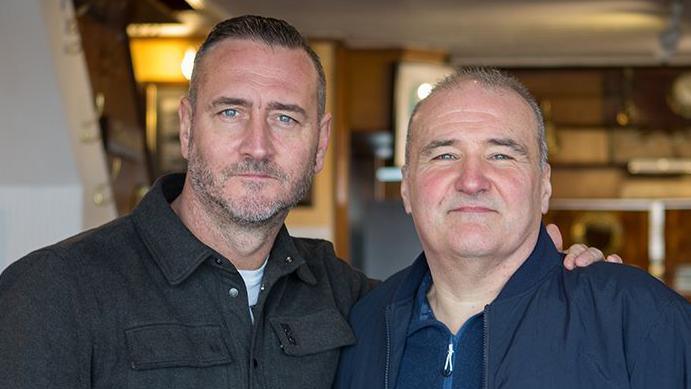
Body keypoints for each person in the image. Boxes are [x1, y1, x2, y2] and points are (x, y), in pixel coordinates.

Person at [0, 17, 612, 389]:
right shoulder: (53, 294)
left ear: (318, 144)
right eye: (231, 112)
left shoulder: (354, 299)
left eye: (286, 118)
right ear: (187, 128)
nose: (258, 146)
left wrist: (564, 278)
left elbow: (467, 295)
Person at [335, 67, 691, 389]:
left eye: (501, 155)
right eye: (445, 155)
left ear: (544, 187)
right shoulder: (361, 328)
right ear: (406, 188)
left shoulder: (638, 317)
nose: (472, 181)